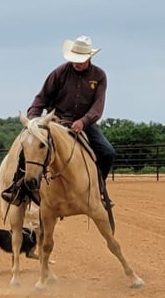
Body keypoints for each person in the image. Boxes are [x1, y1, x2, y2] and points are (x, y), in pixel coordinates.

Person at [25, 35, 116, 207]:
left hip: (84, 124)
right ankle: (21, 189)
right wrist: (33, 121)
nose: (76, 63)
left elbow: (98, 106)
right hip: (56, 122)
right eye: (74, 59)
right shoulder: (59, 73)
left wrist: (84, 121)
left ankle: (98, 188)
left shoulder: (99, 76)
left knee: (107, 152)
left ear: (89, 57)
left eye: (80, 60)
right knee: (31, 148)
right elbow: (40, 99)